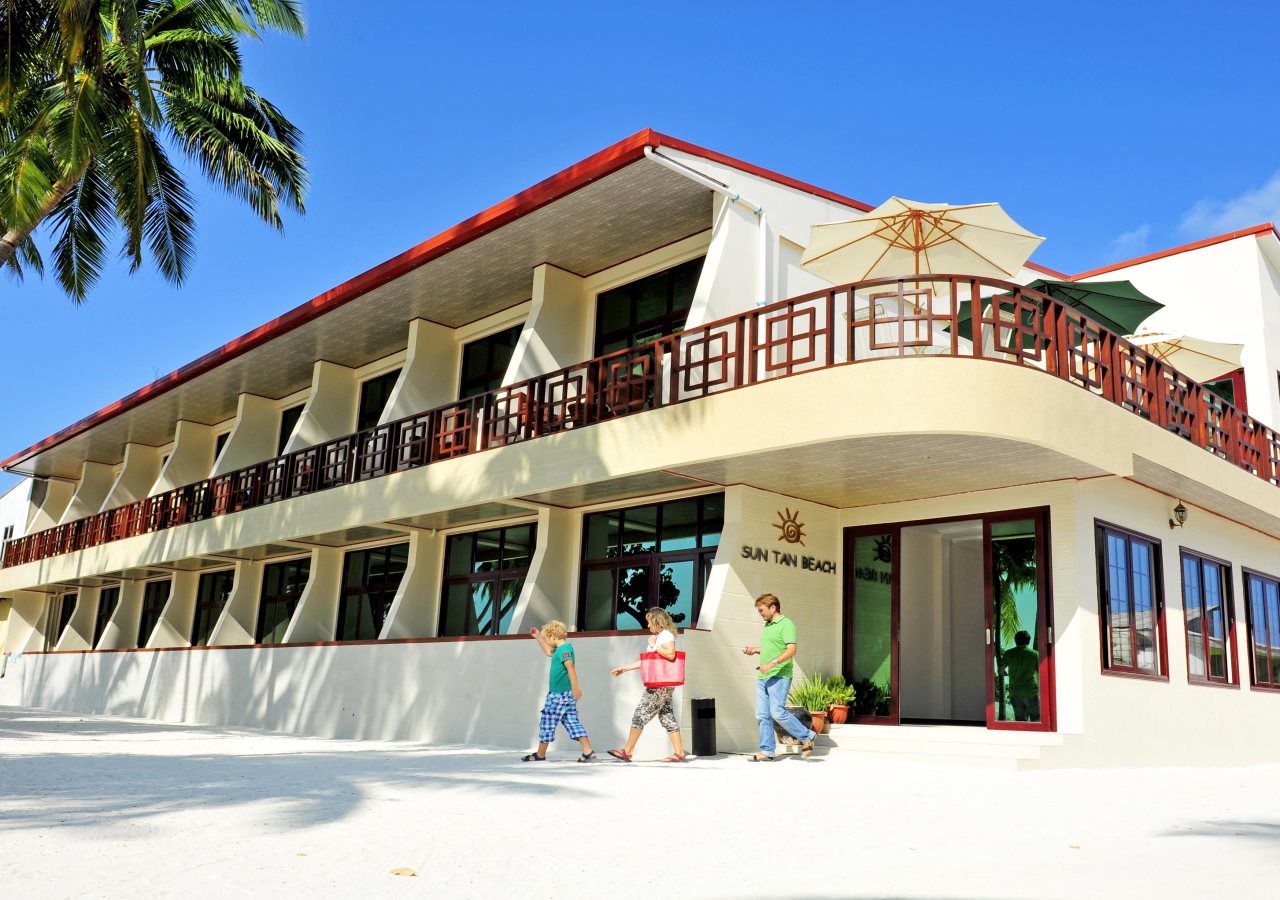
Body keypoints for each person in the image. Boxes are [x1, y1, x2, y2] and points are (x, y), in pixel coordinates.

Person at [742, 593, 817, 761]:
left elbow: (791, 650)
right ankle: (767, 750)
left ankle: (807, 736)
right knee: (762, 715)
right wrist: (755, 650)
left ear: (773, 607)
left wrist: (773, 663)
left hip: (780, 675)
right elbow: (773, 648)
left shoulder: (786, 624)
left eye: (762, 610)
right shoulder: (768, 626)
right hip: (764, 676)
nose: (760, 613)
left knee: (777, 712)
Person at [607, 608, 688, 763]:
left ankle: (627, 751)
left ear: (657, 621)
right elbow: (649, 661)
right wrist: (624, 668)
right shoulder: (659, 636)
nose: (648, 624)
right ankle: (679, 753)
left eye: (650, 621)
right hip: (662, 683)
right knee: (666, 716)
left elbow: (671, 654)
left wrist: (654, 644)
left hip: (659, 684)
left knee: (640, 715)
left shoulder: (665, 635)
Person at [522, 620, 595, 762]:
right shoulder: (561, 650)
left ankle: (540, 754)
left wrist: (576, 688)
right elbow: (549, 652)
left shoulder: (565, 650)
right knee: (571, 721)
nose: (547, 641)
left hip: (559, 695)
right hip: (563, 694)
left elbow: (571, 667)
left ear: (553, 635)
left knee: (547, 720)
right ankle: (588, 751)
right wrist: (537, 636)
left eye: (546, 638)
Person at [1001, 630, 1040, 722]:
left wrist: (1008, 674)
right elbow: (1040, 672)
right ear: (1028, 641)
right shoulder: (1035, 654)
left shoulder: (1008, 653)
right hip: (1031, 691)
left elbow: (1001, 671)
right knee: (1036, 721)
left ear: (1016, 640)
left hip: (1015, 692)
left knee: (1020, 721)